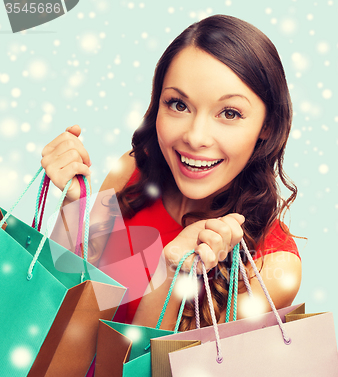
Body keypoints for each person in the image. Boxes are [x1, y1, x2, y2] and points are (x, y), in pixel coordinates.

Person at [41, 14, 301, 331]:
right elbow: (55, 305)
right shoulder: (133, 172)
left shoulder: (273, 266)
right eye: (178, 104)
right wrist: (76, 206)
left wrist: (172, 270)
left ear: (268, 125)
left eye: (229, 113)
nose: (195, 136)